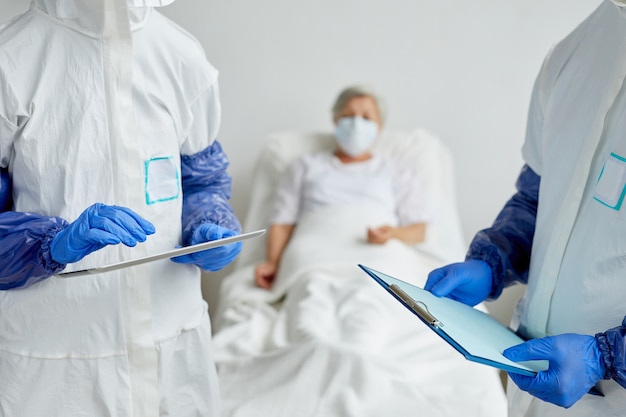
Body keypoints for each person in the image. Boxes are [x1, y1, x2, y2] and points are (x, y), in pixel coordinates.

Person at [0, 1, 242, 416]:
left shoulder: (180, 54)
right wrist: (50, 244)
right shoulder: (12, 57)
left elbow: (202, 179)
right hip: (56, 353)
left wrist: (208, 223)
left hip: (173, 338)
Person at [424, 1, 626, 416]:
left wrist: (608, 356)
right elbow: (538, 194)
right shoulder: (574, 52)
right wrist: (495, 259)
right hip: (533, 372)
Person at [255, 85, 431, 289]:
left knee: (373, 294)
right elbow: (283, 224)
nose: (357, 123)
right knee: (312, 293)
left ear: (379, 127)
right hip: (313, 254)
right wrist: (272, 263)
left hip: (378, 255)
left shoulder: (396, 170)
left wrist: (391, 234)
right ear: (335, 121)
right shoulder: (305, 166)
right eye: (349, 115)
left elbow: (419, 230)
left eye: (366, 117)